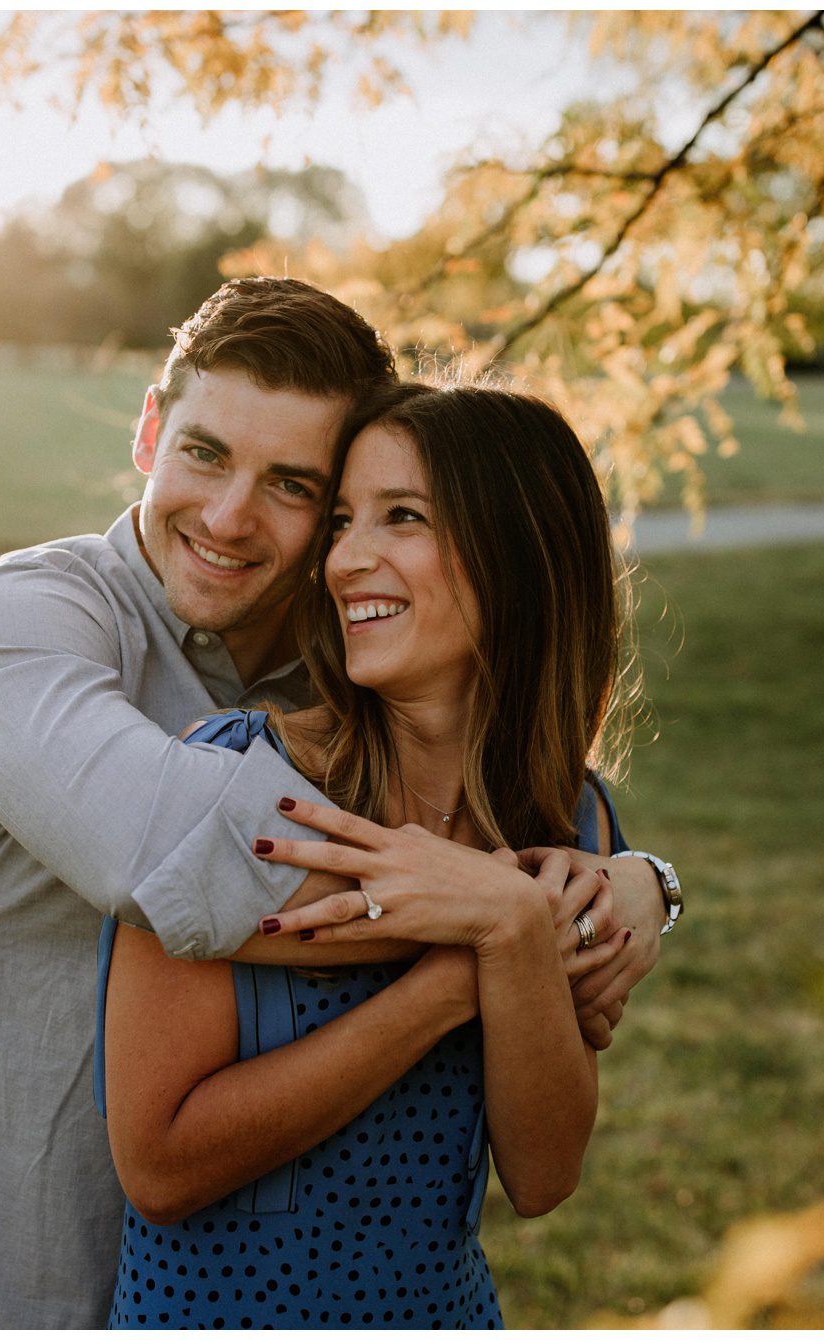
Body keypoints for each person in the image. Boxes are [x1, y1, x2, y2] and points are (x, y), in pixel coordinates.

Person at [0, 278, 681, 1328]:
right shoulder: (20, 624)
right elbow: (181, 861)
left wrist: (639, 881)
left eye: (291, 485)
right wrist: (513, 930)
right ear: (149, 429)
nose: (230, 517)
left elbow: (542, 1162)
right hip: (53, 1266)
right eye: (203, 452)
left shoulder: (348, 672)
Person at [98, 379, 642, 1329]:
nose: (348, 559)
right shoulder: (236, 780)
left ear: (519, 553)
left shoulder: (567, 826)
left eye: (402, 518)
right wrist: (462, 971)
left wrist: (522, 916)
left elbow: (546, 1175)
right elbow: (160, 1166)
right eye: (345, 520)